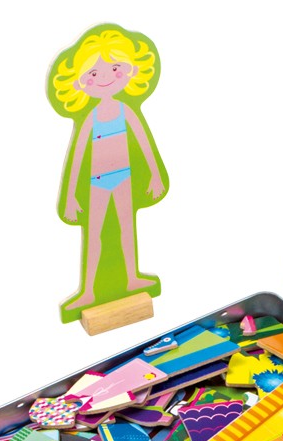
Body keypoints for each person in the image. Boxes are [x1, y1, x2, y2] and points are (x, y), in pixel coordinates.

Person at [50, 27, 167, 310]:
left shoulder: (126, 111)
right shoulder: (90, 118)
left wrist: (155, 174)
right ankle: (89, 292)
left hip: (124, 178)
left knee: (127, 229)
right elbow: (78, 155)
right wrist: (70, 195)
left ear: (128, 71)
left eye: (114, 68)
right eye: (93, 73)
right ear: (80, 83)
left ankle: (131, 279)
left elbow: (144, 142)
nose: (104, 78)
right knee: (95, 234)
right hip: (97, 181)